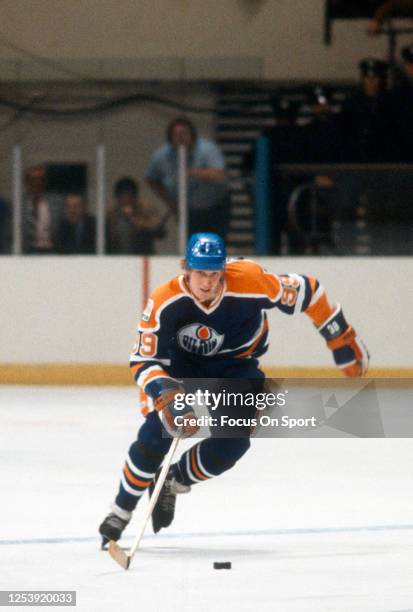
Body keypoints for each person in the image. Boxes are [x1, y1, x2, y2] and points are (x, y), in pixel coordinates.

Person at [98, 233, 369, 545]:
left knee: (232, 445)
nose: (207, 283)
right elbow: (143, 358)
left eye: (214, 274)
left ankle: (172, 479)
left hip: (235, 366)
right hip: (180, 367)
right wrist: (167, 396)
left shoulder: (250, 281)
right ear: (186, 268)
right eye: (200, 273)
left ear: (223, 270)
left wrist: (339, 335)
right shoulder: (164, 300)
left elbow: (308, 290)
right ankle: (120, 511)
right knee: (154, 435)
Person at [145, 117, 230, 239]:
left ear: (192, 135)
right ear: (170, 138)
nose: (181, 138)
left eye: (184, 134)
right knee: (193, 242)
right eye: (176, 135)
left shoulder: (207, 150)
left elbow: (220, 174)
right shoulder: (161, 156)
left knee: (215, 242)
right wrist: (170, 201)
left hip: (215, 205)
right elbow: (151, 179)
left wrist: (191, 173)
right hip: (187, 209)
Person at [340, 58, 395, 161]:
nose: (371, 82)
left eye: (374, 78)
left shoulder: (389, 103)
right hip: (355, 155)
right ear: (363, 79)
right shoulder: (352, 103)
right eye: (367, 78)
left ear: (380, 79)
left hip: (382, 156)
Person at [106, 177, 165, 255]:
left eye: (129, 198)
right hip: (118, 258)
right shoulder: (111, 213)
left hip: (142, 256)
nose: (126, 202)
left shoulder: (146, 209)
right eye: (122, 198)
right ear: (117, 198)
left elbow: (158, 228)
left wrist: (134, 219)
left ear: (135, 197)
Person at [22, 165, 63, 254]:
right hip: (26, 253)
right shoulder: (18, 204)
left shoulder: (58, 202)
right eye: (34, 179)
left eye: (41, 179)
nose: (38, 182)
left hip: (52, 251)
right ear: (26, 182)